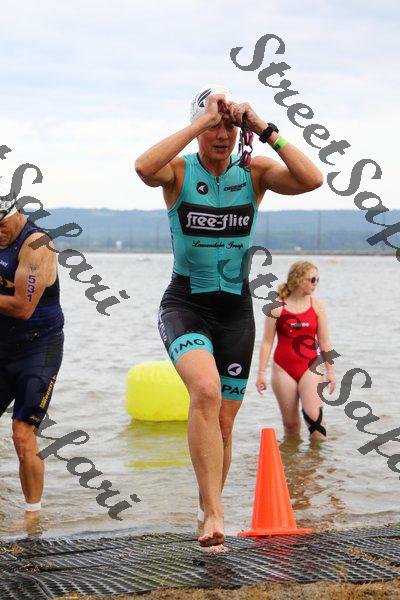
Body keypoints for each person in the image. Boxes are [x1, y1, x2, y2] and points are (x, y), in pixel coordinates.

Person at [135, 84, 323, 549]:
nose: (222, 135)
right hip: (186, 304)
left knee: (223, 423)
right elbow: (143, 167)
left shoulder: (253, 172)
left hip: (235, 311)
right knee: (205, 390)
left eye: (229, 127)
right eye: (213, 127)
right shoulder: (179, 172)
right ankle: (216, 513)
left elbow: (312, 179)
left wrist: (263, 128)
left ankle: (208, 510)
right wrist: (201, 120)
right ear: (199, 127)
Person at [0, 193, 64, 524]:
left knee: (22, 433)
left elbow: (22, 307)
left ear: (18, 213)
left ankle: (32, 518)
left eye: (1, 225)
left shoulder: (37, 244)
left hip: (38, 348)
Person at [256, 261, 336, 439]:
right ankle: (292, 457)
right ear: (299, 279)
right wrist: (261, 373)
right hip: (283, 369)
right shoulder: (276, 307)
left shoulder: (317, 306)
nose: (316, 283)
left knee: (315, 420)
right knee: (290, 425)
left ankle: (318, 456)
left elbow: (325, 342)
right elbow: (267, 342)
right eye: (313, 279)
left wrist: (330, 371)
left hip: (310, 367)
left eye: (318, 279)